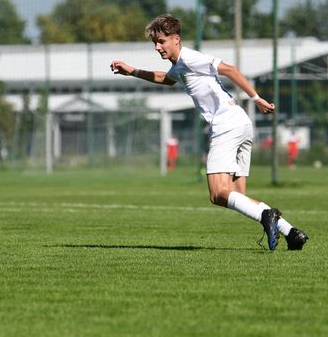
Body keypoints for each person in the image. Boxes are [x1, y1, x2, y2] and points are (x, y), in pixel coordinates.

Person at [111, 14, 308, 251]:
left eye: (161, 41)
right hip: (241, 124)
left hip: (226, 125)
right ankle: (292, 233)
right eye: (155, 43)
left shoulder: (190, 58)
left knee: (217, 194)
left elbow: (230, 70)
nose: (157, 47)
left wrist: (256, 99)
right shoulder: (179, 65)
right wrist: (132, 71)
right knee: (237, 196)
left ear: (176, 39)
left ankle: (269, 214)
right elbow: (166, 78)